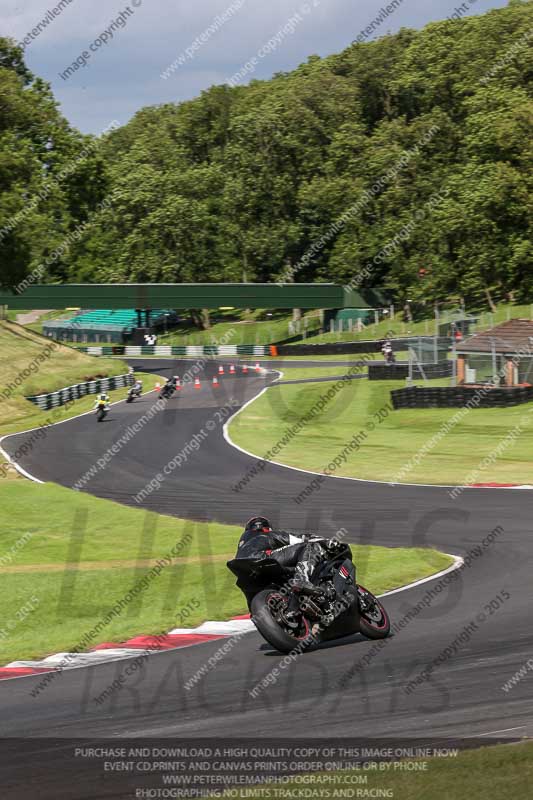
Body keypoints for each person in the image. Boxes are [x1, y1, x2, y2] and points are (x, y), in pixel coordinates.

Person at [235, 516, 346, 597]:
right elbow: (301, 539)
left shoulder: (242, 545)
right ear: (266, 528)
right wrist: (327, 542)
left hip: (242, 572)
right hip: (262, 558)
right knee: (308, 547)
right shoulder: (267, 534)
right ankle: (301, 579)